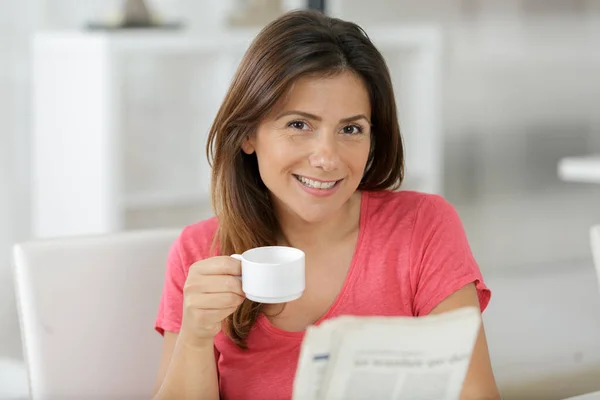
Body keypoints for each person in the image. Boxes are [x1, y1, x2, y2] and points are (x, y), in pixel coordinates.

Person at [152, 9, 499, 400]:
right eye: (299, 125)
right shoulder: (199, 253)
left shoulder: (423, 227)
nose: (327, 157)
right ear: (248, 134)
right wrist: (196, 338)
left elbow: (476, 394)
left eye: (351, 129)